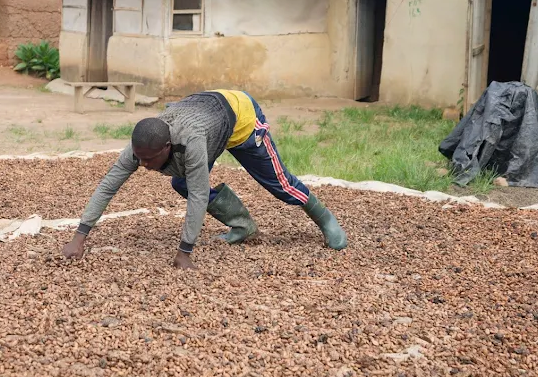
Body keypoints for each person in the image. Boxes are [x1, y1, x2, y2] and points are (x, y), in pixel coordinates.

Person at [62, 90, 347, 269]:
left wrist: (185, 251)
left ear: (166, 147)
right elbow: (109, 184)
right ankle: (243, 225)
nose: (144, 165)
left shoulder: (192, 142)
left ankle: (326, 219)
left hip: (241, 118)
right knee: (180, 182)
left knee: (280, 186)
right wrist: (79, 236)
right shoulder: (144, 144)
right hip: (204, 111)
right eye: (140, 158)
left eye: (149, 160)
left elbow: (199, 195)